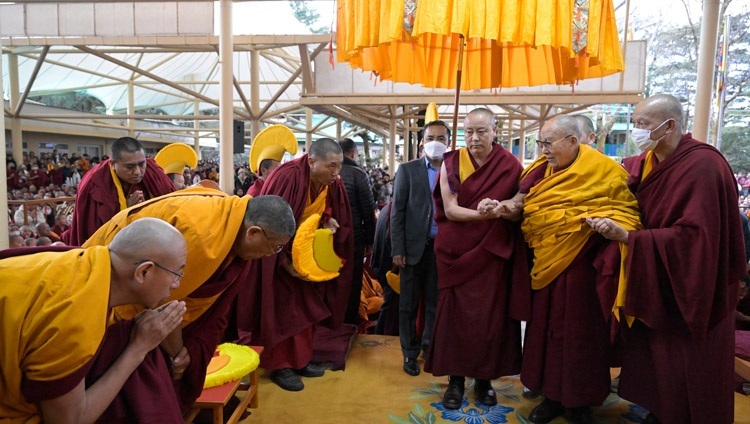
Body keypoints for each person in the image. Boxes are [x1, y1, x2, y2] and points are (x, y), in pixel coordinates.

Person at [588, 94, 746, 424]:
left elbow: (697, 239)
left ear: (669, 125)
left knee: (689, 362)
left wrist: (630, 238)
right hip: (658, 273)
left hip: (696, 284)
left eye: (643, 124)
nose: (636, 131)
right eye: (634, 124)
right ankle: (661, 411)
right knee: (657, 357)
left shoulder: (704, 165)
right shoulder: (646, 162)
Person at [83, 188, 296, 420]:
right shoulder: (201, 239)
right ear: (253, 233)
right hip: (109, 295)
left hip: (144, 292)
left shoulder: (231, 214)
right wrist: (178, 354)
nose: (271, 254)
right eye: (275, 247)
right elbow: (160, 304)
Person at [500, 115, 640, 423]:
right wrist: (503, 207)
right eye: (540, 143)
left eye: (548, 143)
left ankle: (580, 402)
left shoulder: (605, 171)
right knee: (544, 332)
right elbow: (521, 204)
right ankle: (549, 397)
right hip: (547, 266)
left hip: (584, 270)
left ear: (573, 141)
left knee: (582, 335)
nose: (543, 149)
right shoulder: (538, 171)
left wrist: (609, 226)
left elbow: (627, 213)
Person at [0, 218, 188, 423]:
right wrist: (139, 347)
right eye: (176, 273)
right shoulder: (74, 313)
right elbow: (69, 421)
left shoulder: (83, 263)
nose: (177, 285)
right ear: (143, 272)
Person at [426, 108, 530, 409]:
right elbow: (451, 209)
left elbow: (520, 202)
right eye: (468, 131)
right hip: (457, 252)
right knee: (455, 319)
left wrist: (503, 207)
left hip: (491, 253)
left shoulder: (510, 165)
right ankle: (455, 381)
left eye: (481, 131)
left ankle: (484, 380)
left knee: (489, 319)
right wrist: (485, 212)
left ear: (495, 131)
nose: (473, 138)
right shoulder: (451, 162)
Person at [236, 138, 354, 392]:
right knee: (281, 310)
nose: (336, 173)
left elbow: (323, 211)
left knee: (304, 309)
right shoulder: (287, 177)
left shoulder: (329, 183)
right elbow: (270, 222)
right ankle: (281, 365)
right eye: (331, 166)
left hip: (306, 254)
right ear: (312, 162)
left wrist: (329, 221)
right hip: (277, 256)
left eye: (339, 166)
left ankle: (301, 359)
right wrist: (285, 262)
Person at [390, 120, 450, 377]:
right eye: (431, 137)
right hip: (413, 249)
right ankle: (409, 353)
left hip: (442, 250)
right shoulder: (407, 170)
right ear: (422, 142)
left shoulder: (454, 170)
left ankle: (430, 347)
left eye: (441, 137)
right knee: (408, 304)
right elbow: (397, 212)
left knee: (436, 303)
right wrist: (398, 248)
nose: (435, 142)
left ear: (448, 142)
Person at [64, 137, 174, 246]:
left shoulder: (153, 172)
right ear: (112, 164)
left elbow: (171, 208)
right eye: (129, 167)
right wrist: (128, 211)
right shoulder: (95, 183)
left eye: (141, 164)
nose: (137, 172)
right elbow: (97, 234)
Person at [338, 137, 376, 325]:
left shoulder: (325, 171)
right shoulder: (358, 174)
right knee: (352, 283)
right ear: (353, 153)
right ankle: (349, 323)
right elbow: (368, 212)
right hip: (354, 239)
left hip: (326, 239)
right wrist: (370, 241)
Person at [247, 124, 298, 197]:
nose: (280, 171)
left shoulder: (275, 186)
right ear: (263, 170)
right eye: (277, 168)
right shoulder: (255, 193)